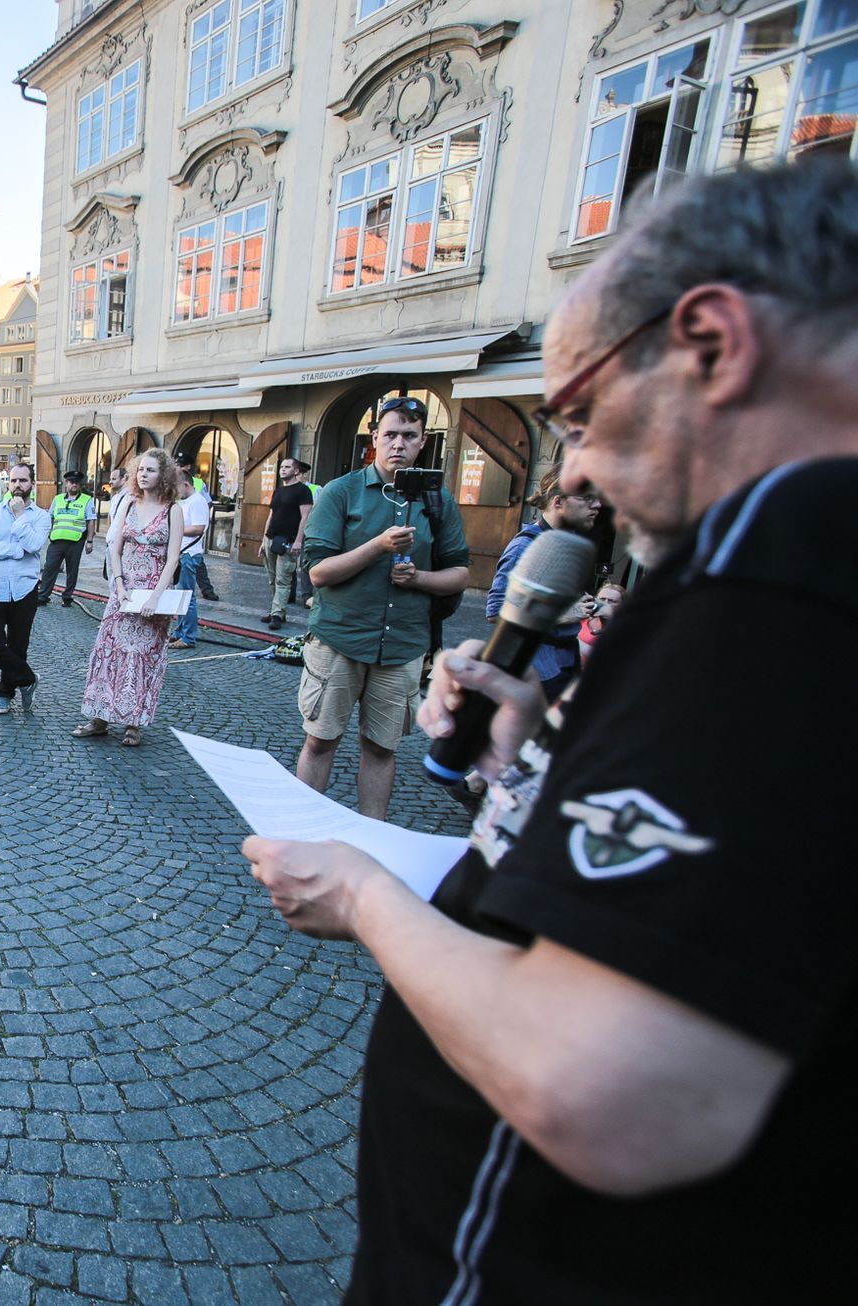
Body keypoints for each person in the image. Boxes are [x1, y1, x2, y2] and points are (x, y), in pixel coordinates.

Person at [245, 162, 858, 1305]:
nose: (569, 468)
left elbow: (608, 1089)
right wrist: (535, 754)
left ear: (712, 345)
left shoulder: (781, 563)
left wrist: (367, 899)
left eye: (574, 413)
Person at [294, 397, 470, 819]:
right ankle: (299, 832)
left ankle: (372, 837)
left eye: (409, 436)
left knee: (380, 748)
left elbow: (460, 573)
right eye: (390, 434)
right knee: (321, 740)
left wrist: (420, 579)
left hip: (403, 645)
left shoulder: (438, 501)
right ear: (374, 438)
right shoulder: (342, 492)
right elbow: (318, 572)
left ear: (423, 441)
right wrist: (377, 546)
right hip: (340, 637)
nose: (398, 444)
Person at [73, 450, 186, 747]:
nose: (143, 474)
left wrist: (156, 597)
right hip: (124, 592)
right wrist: (119, 585)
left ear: (164, 474)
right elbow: (115, 548)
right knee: (108, 654)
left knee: (143, 659)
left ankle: (134, 723)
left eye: (150, 470)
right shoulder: (128, 503)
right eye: (140, 470)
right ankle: (99, 717)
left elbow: (173, 558)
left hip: (153, 593)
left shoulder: (173, 509)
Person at [486, 472, 601, 701]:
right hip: (536, 674)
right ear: (558, 502)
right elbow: (496, 610)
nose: (597, 505)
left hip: (564, 664)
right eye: (587, 498)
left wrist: (595, 606)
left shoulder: (566, 544)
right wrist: (562, 614)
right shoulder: (526, 546)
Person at [0, 462, 51, 713]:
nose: (18, 486)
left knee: (18, 646)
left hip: (24, 589)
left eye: (23, 481)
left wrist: (19, 516)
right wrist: (14, 551)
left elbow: (34, 544)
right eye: (14, 481)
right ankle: (28, 679)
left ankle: (5, 692)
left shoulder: (40, 516)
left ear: (32, 484)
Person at [263, 458, 315, 629]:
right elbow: (271, 515)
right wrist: (263, 540)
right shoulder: (278, 490)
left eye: (287, 467)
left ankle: (277, 614)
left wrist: (299, 540)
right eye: (281, 467)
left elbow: (305, 517)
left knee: (283, 579)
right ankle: (275, 610)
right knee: (272, 578)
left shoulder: (303, 490)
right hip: (271, 538)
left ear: (296, 471)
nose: (283, 470)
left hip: (288, 540)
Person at [37, 470, 97, 606]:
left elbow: (91, 520)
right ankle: (43, 596)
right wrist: (47, 533)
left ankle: (67, 596)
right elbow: (50, 517)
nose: (74, 484)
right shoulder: (57, 499)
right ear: (66, 484)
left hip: (76, 541)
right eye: (71, 482)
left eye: (76, 482)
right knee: (49, 568)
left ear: (80, 484)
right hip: (57, 540)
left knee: (72, 570)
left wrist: (90, 541)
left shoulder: (86, 500)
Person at [168, 475, 214, 650]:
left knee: (187, 597)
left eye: (176, 488)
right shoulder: (185, 501)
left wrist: (174, 529)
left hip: (189, 554)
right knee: (180, 596)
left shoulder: (197, 501)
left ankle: (188, 637)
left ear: (185, 485)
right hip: (182, 553)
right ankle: (180, 632)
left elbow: (198, 528)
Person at [574, 582, 623, 662]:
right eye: (602, 599)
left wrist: (572, 638)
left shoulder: (622, 627)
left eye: (612, 601)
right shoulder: (583, 618)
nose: (605, 603)